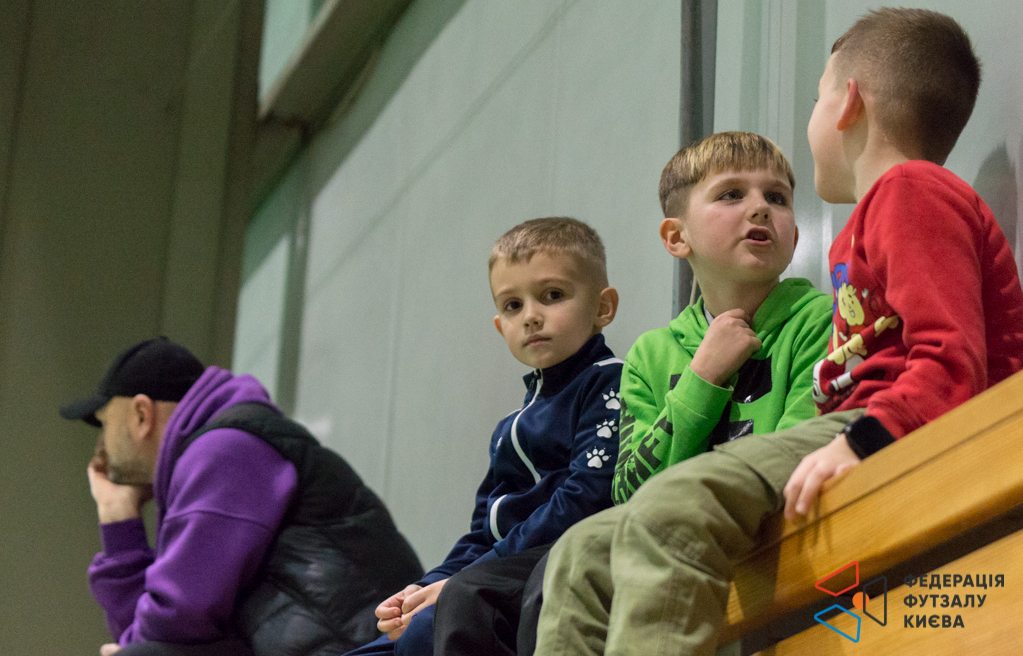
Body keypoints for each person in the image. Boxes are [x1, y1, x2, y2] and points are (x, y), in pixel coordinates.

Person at [533, 8, 1023, 656]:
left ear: (848, 103)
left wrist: (861, 441)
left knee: (675, 507)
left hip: (885, 428)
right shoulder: (875, 217)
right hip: (850, 425)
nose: (812, 118)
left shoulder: (911, 190)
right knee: (581, 555)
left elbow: (951, 359)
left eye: (817, 97)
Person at [434, 132, 833, 656]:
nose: (759, 207)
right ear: (677, 237)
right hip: (669, 540)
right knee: (566, 561)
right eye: (732, 194)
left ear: (795, 235)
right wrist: (702, 379)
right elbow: (630, 491)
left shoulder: (818, 320)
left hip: (772, 537)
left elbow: (799, 448)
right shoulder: (652, 354)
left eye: (776, 197)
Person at [342, 217, 624, 656]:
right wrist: (427, 586)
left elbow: (585, 498)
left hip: (547, 570)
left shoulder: (611, 382)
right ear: (500, 326)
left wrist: (463, 579)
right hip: (489, 573)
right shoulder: (509, 428)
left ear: (603, 307)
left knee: (427, 632)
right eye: (513, 305)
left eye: (552, 295)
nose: (531, 316)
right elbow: (484, 532)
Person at [61, 337, 423, 656]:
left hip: (359, 647)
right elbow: (154, 632)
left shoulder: (224, 450)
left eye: (105, 423)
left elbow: (176, 618)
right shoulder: (224, 445)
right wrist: (118, 515)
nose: (101, 447)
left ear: (142, 415)